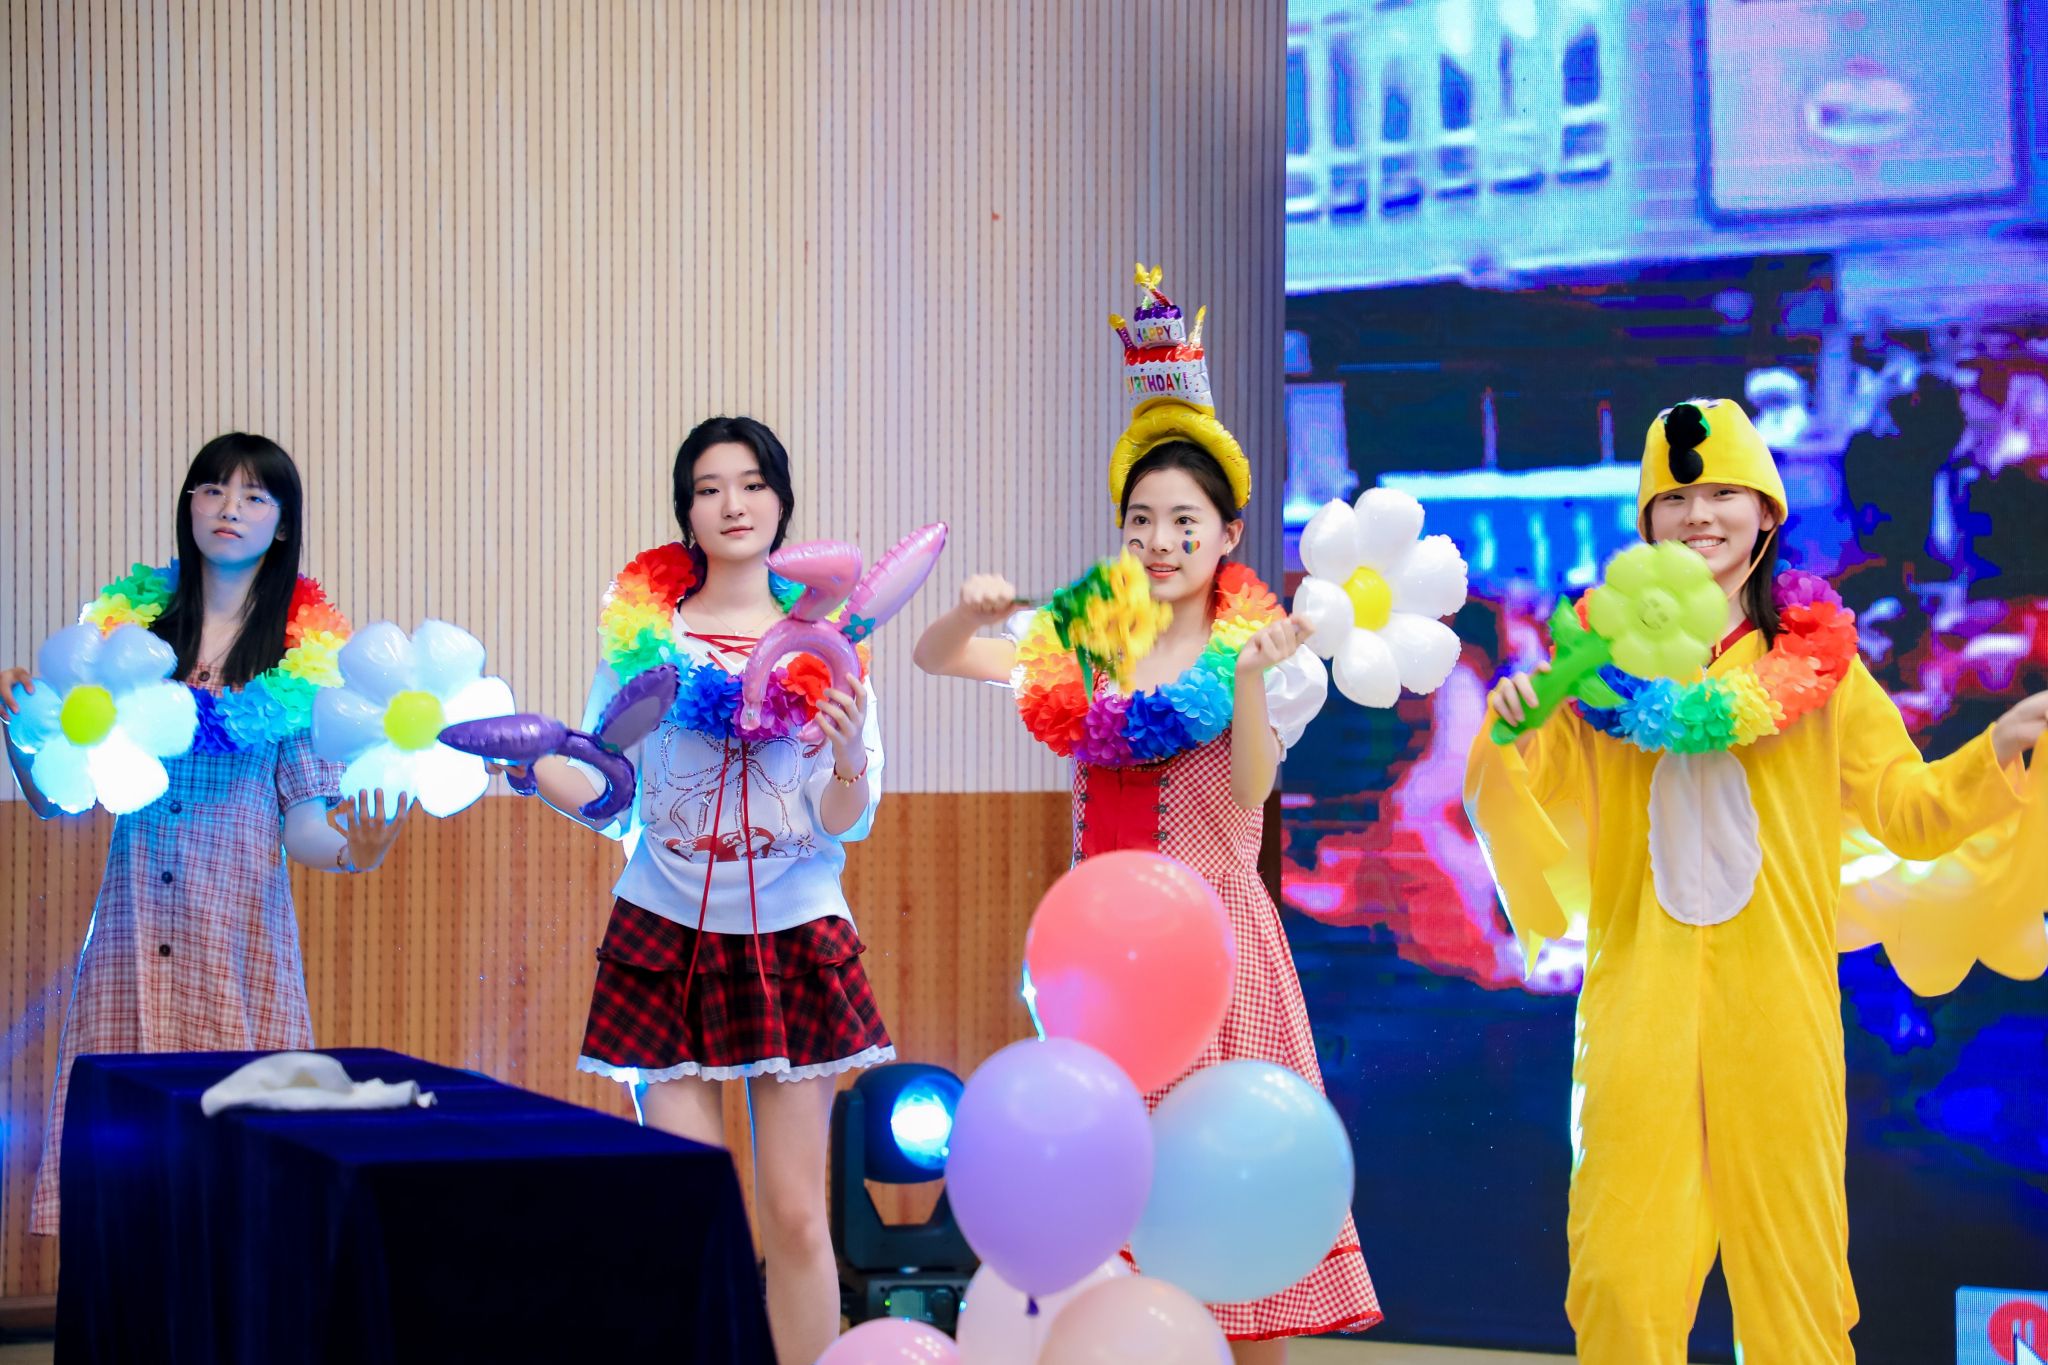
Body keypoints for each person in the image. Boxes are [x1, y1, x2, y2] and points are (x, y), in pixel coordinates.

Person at [1468, 400, 2046, 1364]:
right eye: (1676, 498)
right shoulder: (1595, 667)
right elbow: (1534, 795)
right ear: (1648, 520)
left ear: (1767, 512)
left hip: (1779, 1010)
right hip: (1636, 1008)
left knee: (1796, 1292)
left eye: (1724, 494)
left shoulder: (1825, 668)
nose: (1700, 515)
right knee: (1618, 1285)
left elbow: (1907, 808)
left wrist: (1998, 753)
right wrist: (1513, 729)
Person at [914, 266, 1382, 1360]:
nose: (1160, 541)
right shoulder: (1082, 646)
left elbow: (1253, 791)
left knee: (1232, 1223)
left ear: (1227, 533)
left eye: (1184, 521)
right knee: (1111, 1225)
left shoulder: (1256, 648)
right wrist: (970, 613)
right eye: (1141, 521)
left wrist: (1252, 679)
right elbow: (941, 659)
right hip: (1099, 966)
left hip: (1215, 955)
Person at [517, 415, 889, 1365]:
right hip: (663, 933)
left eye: (753, 483)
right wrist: (524, 762)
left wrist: (850, 750)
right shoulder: (645, 640)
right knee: (692, 1206)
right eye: (710, 487)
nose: (734, 503)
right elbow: (608, 791)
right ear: (686, 511)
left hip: (795, 936)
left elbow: (847, 817)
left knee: (796, 1215)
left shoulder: (828, 639)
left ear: (782, 502)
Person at [2, 431, 410, 1236]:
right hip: (128, 942)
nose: (230, 507)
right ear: (188, 504)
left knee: (236, 1191)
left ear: (282, 526)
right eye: (213, 488)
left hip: (238, 945)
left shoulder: (303, 658)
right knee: (125, 1190)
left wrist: (355, 848)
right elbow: (56, 799)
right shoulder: (128, 643)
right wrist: (22, 728)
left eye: (256, 495)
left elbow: (305, 818)